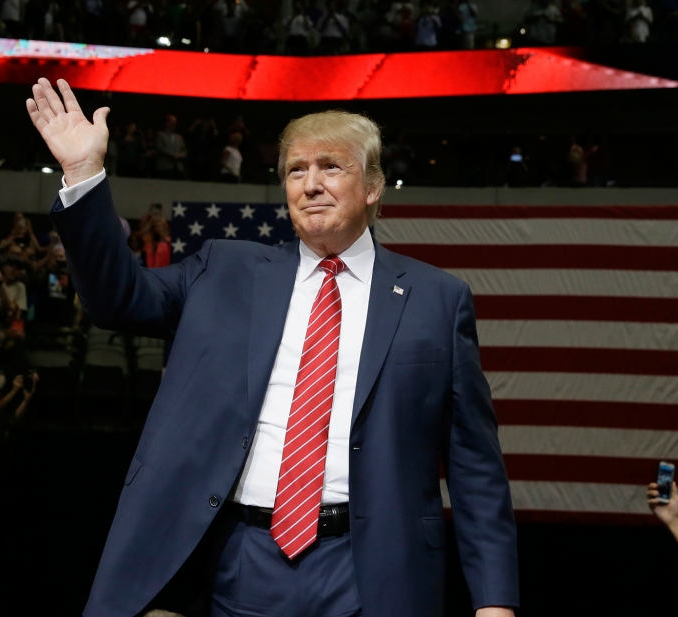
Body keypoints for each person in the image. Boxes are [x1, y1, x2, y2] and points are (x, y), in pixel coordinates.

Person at [27, 77, 517, 617]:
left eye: (331, 166)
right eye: (295, 170)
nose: (310, 184)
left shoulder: (438, 300)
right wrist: (82, 174)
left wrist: (494, 602)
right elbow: (117, 299)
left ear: (374, 185)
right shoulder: (223, 269)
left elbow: (475, 465)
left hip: (372, 568)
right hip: (239, 556)